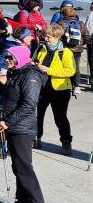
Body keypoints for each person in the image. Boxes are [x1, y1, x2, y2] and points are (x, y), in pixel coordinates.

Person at [0, 46, 46, 203]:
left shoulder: (30, 76)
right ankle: (23, 200)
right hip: (13, 126)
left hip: (22, 128)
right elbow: (11, 97)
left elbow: (29, 104)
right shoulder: (16, 73)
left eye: (11, 57)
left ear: (21, 58)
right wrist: (4, 84)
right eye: (6, 56)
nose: (7, 59)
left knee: (24, 167)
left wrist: (7, 122)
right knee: (17, 166)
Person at [33, 23, 75, 153]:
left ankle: (66, 141)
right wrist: (34, 65)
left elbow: (70, 71)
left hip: (60, 90)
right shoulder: (41, 48)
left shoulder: (65, 52)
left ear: (57, 37)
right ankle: (36, 138)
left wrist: (49, 70)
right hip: (41, 87)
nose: (46, 39)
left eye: (49, 37)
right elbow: (32, 61)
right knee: (37, 115)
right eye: (45, 36)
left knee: (60, 117)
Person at [50, 0, 87, 90]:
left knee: (65, 66)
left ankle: (67, 85)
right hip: (77, 49)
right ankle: (77, 86)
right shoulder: (80, 23)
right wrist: (81, 44)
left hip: (65, 48)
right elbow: (86, 36)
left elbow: (55, 34)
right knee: (76, 67)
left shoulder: (61, 23)